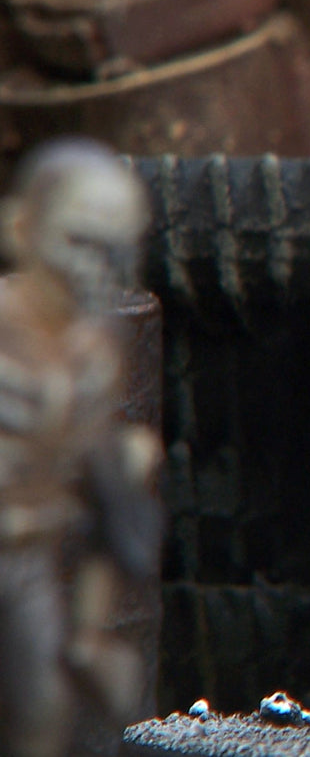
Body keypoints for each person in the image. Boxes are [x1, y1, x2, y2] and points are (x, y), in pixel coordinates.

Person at [0, 139, 160, 757]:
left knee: (42, 705)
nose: (92, 269)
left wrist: (91, 636)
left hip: (26, 560)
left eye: (114, 250)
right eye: (78, 242)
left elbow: (107, 489)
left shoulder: (92, 351)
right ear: (21, 229)